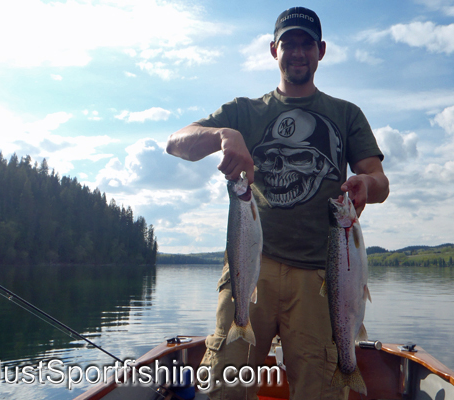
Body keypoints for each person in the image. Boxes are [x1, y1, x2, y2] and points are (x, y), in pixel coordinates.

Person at [166, 6, 389, 400]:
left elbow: (379, 179)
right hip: (251, 268)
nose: (298, 52)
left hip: (323, 278)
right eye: (289, 43)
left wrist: (365, 185)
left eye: (307, 44)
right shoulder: (244, 112)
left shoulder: (346, 114)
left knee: (320, 392)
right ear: (274, 50)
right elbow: (176, 143)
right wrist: (223, 135)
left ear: (321, 50)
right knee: (224, 389)